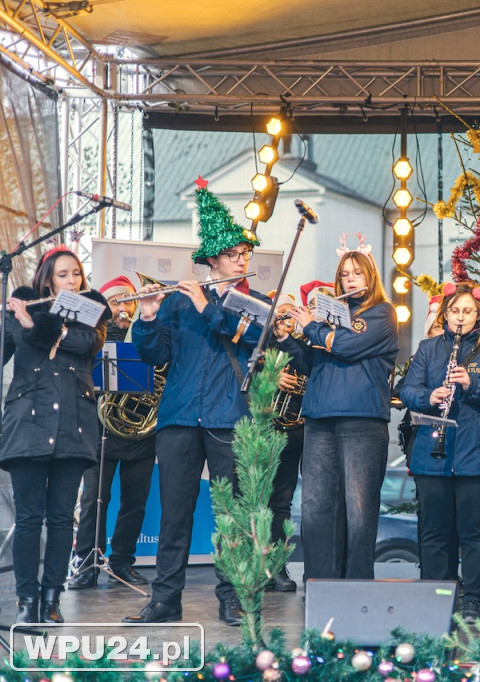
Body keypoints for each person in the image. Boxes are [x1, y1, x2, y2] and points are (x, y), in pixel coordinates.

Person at [124, 180, 267, 626]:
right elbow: (153, 356)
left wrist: (207, 306)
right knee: (175, 512)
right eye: (233, 253)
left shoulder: (255, 301)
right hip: (180, 417)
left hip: (229, 416)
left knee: (230, 515)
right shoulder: (176, 302)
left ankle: (233, 596)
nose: (242, 259)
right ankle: (165, 599)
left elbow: (252, 340)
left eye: (245, 253)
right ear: (212, 258)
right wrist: (147, 317)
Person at [280, 244, 399, 582]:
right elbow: (306, 363)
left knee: (359, 512)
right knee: (317, 509)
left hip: (361, 420)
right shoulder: (327, 316)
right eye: (344, 275)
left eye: (356, 273)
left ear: (370, 277)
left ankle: (357, 588)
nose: (349, 280)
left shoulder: (382, 313)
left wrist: (314, 329)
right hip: (319, 419)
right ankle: (319, 584)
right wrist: (290, 337)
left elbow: (346, 346)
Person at [4, 245, 110, 623]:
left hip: (73, 422)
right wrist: (13, 321)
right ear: (47, 277)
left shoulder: (90, 312)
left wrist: (40, 327)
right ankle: (26, 601)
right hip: (27, 422)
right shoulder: (24, 306)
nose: (71, 280)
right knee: (30, 517)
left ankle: (52, 597)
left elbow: (86, 343)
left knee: (63, 517)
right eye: (63, 275)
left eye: (76, 274)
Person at [400, 283, 480, 624]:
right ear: (445, 315)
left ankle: (472, 600)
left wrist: (472, 384)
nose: (461, 317)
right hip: (431, 455)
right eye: (455, 311)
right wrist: (428, 397)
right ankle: (436, 596)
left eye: (467, 311)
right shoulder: (428, 348)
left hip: (476, 456)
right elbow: (408, 390)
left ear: (478, 315)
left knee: (473, 531)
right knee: (434, 531)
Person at [69, 275, 156, 590]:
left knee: (135, 501)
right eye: (116, 300)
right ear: (104, 305)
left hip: (141, 434)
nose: (123, 306)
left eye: (128, 300)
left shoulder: (147, 335)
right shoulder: (92, 337)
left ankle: (122, 563)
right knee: (94, 499)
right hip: (98, 432)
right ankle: (86, 564)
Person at [264, 291, 306, 592]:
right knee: (255, 501)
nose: (288, 319)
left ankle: (277, 567)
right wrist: (271, 376)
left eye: (293, 313)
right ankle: (254, 565)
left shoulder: (304, 347)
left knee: (281, 503)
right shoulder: (263, 344)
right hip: (264, 429)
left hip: (295, 431)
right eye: (283, 313)